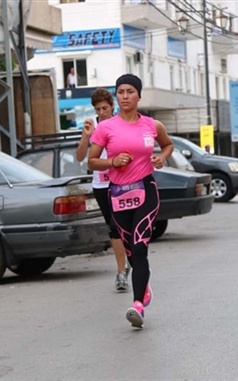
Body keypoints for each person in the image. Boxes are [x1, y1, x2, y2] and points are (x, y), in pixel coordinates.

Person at [88, 74, 174, 328]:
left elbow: (167, 145)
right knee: (131, 252)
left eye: (130, 91)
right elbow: (91, 161)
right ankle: (143, 282)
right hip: (118, 192)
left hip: (146, 190)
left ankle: (138, 305)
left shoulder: (151, 125)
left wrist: (162, 157)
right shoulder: (105, 128)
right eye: (121, 92)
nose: (125, 96)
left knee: (139, 247)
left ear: (138, 95)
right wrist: (112, 162)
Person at [75, 88, 129, 292]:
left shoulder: (120, 124)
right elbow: (80, 157)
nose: (102, 112)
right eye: (98, 109)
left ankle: (131, 260)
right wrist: (85, 137)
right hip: (101, 184)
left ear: (112, 106)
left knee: (127, 225)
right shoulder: (92, 127)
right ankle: (121, 271)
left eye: (105, 108)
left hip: (122, 182)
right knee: (114, 226)